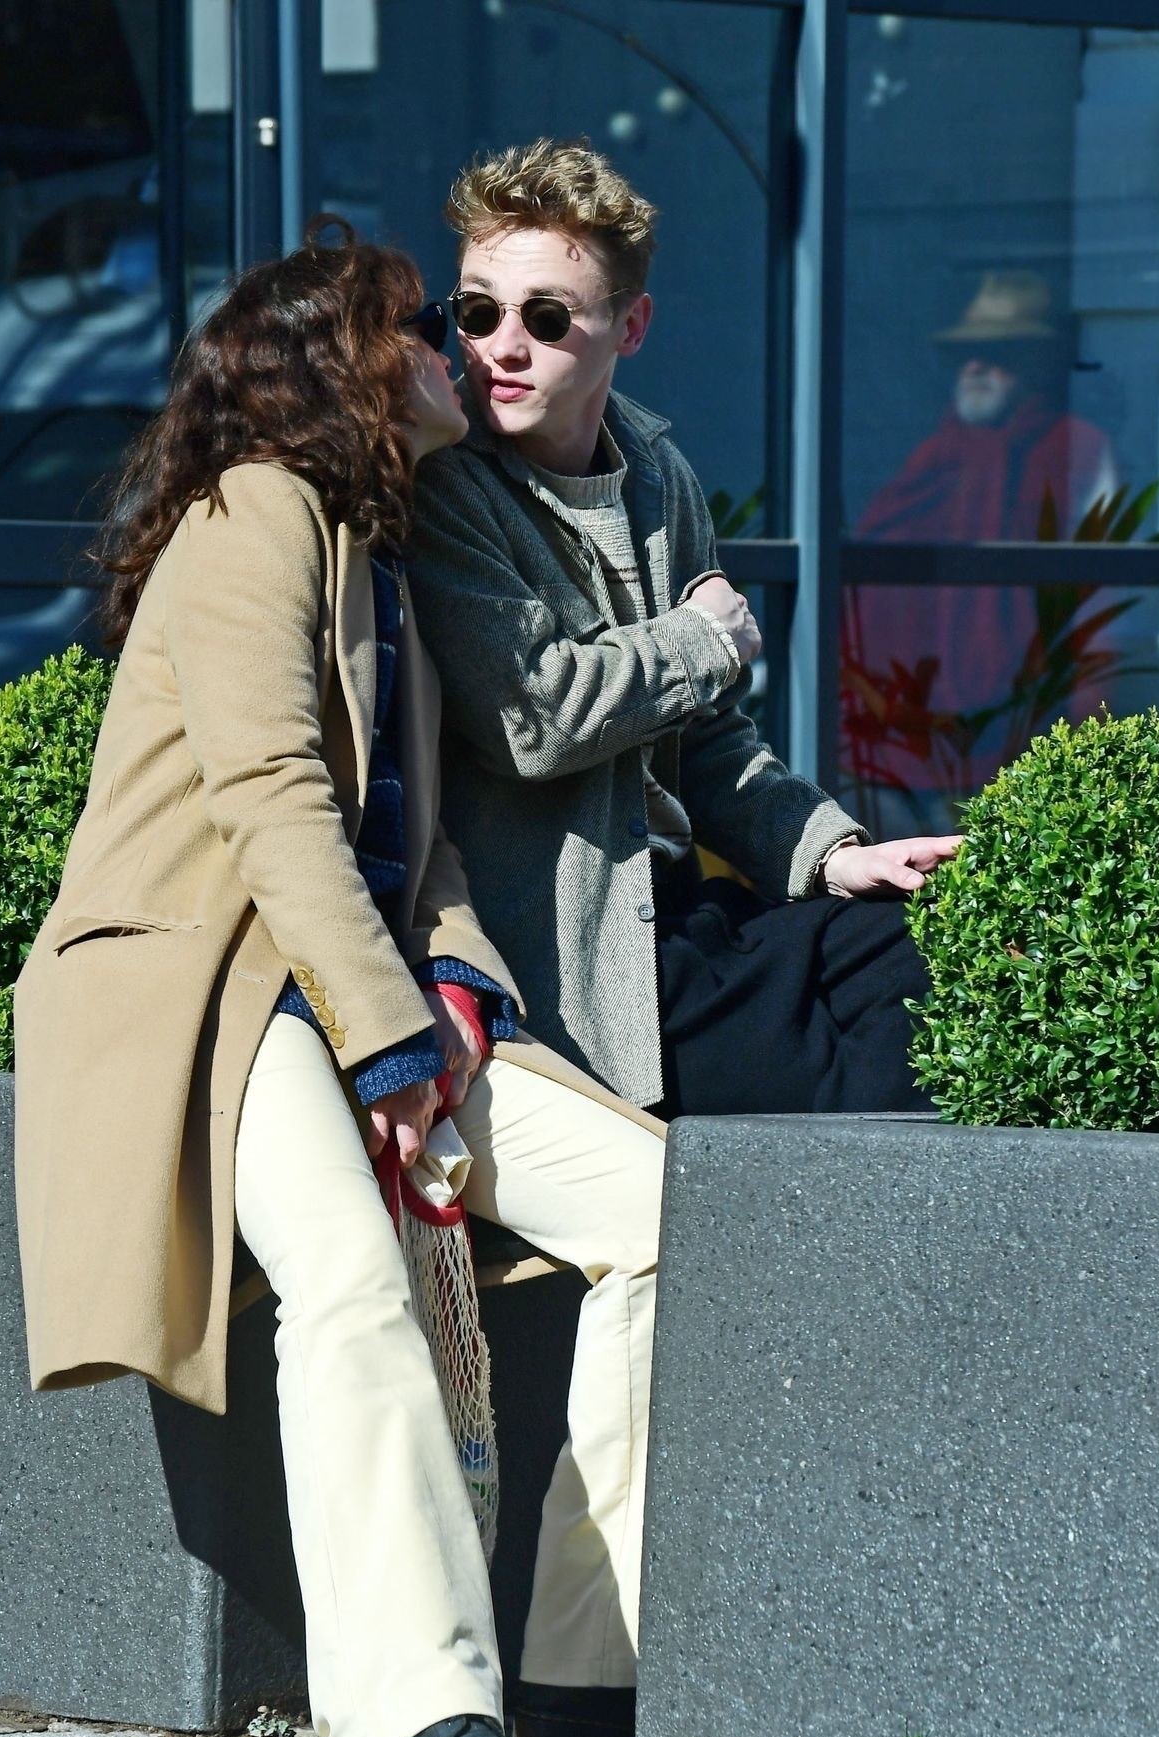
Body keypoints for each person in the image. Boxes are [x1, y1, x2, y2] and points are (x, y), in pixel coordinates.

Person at [11, 218, 667, 1737]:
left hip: (352, 986)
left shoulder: (378, 549)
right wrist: (388, 1047)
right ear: (341, 366)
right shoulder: (253, 512)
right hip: (203, 985)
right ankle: (405, 1712)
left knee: (651, 1208)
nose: (457, 350)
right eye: (424, 325)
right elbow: (274, 803)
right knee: (351, 1275)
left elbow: (416, 854)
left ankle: (582, 1669)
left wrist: (458, 993)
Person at [407, 136, 961, 1120]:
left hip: (683, 915)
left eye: (546, 317)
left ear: (631, 326)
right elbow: (533, 719)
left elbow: (707, 741)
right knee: (859, 1084)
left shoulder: (657, 473)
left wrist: (831, 854)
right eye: (478, 311)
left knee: (931, 956)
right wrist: (701, 640)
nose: (500, 347)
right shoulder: (443, 487)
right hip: (575, 970)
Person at [843, 270, 1119, 833]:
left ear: (1034, 364)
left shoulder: (1076, 449)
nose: (974, 367)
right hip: (898, 727)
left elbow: (1100, 601)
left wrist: (1088, 731)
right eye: (965, 356)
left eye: (997, 356)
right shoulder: (931, 453)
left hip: (1017, 721)